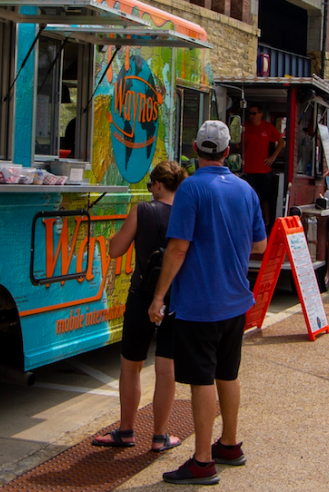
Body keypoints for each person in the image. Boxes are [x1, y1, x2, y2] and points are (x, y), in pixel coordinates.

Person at [149, 120, 267, 485]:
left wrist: (157, 297)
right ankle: (229, 444)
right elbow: (260, 246)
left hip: (200, 303)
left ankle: (202, 461)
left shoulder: (190, 190)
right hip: (235, 300)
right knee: (227, 374)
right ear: (228, 152)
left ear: (196, 150)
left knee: (201, 380)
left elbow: (178, 248)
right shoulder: (246, 190)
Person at [93, 161, 188, 453]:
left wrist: (116, 236)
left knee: (131, 366)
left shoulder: (142, 211)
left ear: (158, 185)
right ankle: (160, 436)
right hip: (176, 298)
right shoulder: (187, 214)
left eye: (150, 185)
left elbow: (115, 249)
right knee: (165, 370)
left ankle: (126, 431)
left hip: (142, 295)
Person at [242, 103, 285, 227]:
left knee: (265, 198)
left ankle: (266, 224)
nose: (251, 116)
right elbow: (238, 143)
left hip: (263, 169)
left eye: (254, 113)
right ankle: (248, 223)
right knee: (249, 198)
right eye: (250, 113)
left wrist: (273, 157)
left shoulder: (268, 127)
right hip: (247, 169)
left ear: (260, 114)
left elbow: (281, 142)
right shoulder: (245, 126)